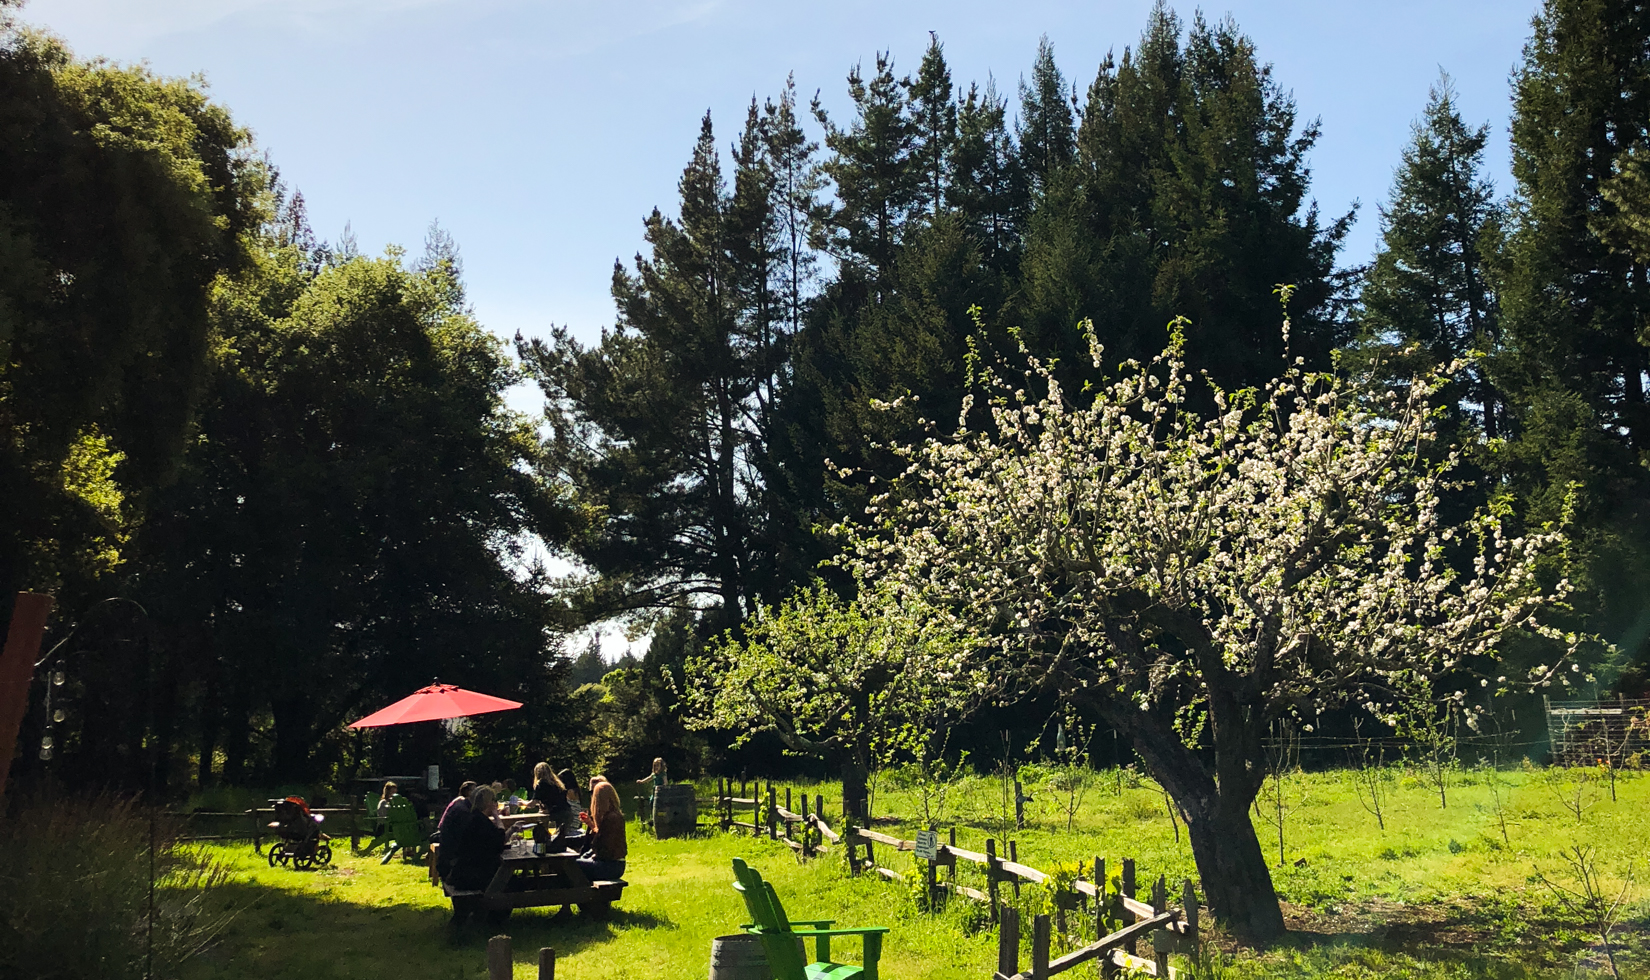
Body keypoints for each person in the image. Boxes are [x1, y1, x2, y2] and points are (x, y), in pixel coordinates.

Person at [445, 786, 508, 907]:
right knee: (508, 881)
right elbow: (499, 844)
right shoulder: (480, 822)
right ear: (488, 803)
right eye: (494, 800)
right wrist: (496, 816)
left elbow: (495, 841)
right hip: (473, 875)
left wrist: (511, 831)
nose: (496, 803)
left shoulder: (474, 817)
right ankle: (495, 915)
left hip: (463, 871)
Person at [577, 778, 626, 883]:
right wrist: (590, 823)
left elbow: (606, 847)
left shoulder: (611, 818)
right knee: (576, 862)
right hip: (612, 864)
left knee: (574, 866)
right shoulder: (611, 816)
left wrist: (595, 855)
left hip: (611, 866)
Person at [434, 780, 478, 882]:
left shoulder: (464, 802)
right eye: (473, 790)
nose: (476, 792)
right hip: (444, 833)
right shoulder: (461, 802)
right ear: (466, 791)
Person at [636, 757, 667, 824]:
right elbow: (648, 778)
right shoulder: (654, 774)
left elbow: (665, 782)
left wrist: (662, 787)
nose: (656, 767)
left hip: (661, 791)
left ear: (661, 766)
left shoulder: (663, 774)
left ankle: (661, 817)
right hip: (655, 791)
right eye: (655, 765)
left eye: (658, 765)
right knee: (652, 802)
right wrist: (642, 781)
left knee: (660, 804)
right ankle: (654, 817)